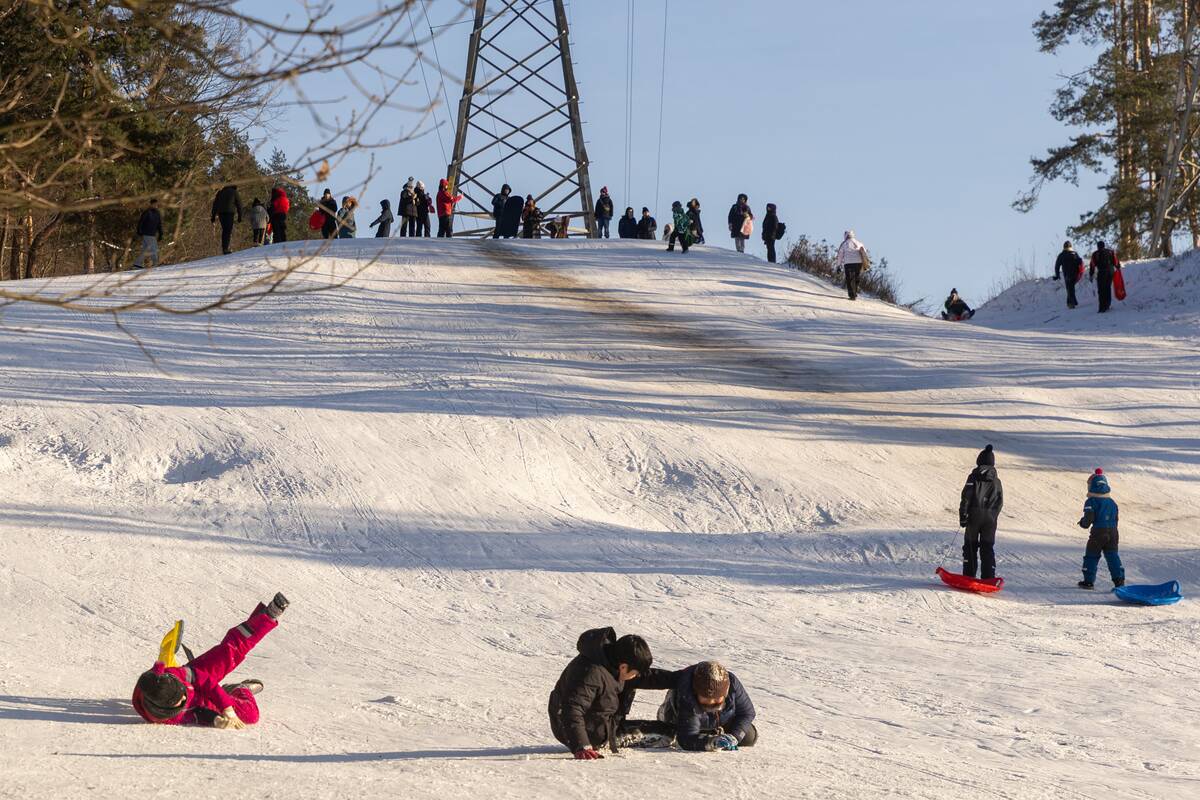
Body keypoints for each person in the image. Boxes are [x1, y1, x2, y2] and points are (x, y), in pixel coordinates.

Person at [133, 593, 288, 729]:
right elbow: (197, 713)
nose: (184, 696)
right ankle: (240, 689)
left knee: (228, 653)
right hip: (201, 700)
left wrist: (225, 706)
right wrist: (216, 720)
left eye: (181, 691)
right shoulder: (168, 718)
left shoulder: (171, 674)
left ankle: (267, 616)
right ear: (166, 711)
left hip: (198, 678)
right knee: (249, 715)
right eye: (180, 700)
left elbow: (203, 679)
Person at [547, 627, 654, 759]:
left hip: (597, 724)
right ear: (624, 666)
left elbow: (648, 676)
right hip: (581, 732)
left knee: (665, 729)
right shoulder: (591, 674)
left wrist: (678, 678)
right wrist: (582, 745)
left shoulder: (610, 660)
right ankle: (601, 737)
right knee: (664, 734)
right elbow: (571, 708)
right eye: (635, 673)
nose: (635, 676)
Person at [624, 661, 757, 751]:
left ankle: (712, 732)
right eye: (706, 699)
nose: (711, 704)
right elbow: (686, 738)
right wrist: (710, 743)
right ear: (696, 691)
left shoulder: (732, 683)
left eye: (717, 700)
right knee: (671, 737)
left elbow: (747, 712)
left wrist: (735, 736)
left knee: (749, 736)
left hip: (718, 721)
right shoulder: (687, 695)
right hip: (678, 719)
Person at [958, 444, 1003, 580]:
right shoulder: (997, 481)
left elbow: (966, 497)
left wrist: (963, 516)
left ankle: (969, 575)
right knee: (987, 547)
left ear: (979, 461)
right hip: (990, 519)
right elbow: (999, 501)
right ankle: (988, 577)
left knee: (970, 546)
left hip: (974, 517)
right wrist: (993, 516)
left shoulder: (974, 477)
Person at [1078, 469, 1125, 590]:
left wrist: (1083, 523)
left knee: (1091, 555)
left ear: (1091, 486)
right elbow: (1116, 518)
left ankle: (1088, 581)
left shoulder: (1091, 501)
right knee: (1112, 555)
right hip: (1113, 532)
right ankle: (1119, 581)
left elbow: (1088, 519)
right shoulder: (1112, 502)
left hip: (1098, 532)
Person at [1088, 240, 1121, 313]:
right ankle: (1107, 305)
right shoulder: (1110, 252)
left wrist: (1091, 274)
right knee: (1107, 288)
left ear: (1097, 246)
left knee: (1101, 290)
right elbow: (1115, 261)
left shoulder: (1095, 254)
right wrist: (1118, 267)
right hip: (1110, 272)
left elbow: (1092, 265)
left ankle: (1102, 307)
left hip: (1102, 272)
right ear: (1104, 246)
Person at [211, 184, 243, 255]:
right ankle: (225, 248)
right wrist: (240, 216)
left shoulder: (220, 192)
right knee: (227, 230)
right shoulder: (234, 192)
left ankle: (225, 248)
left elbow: (215, 204)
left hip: (221, 214)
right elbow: (239, 204)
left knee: (225, 230)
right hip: (229, 213)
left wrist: (213, 216)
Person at [835, 229, 867, 300]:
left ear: (845, 236)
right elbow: (864, 253)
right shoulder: (859, 243)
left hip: (848, 263)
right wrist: (865, 264)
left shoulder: (844, 244)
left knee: (849, 278)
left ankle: (852, 294)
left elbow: (840, 255)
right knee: (856, 277)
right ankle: (855, 293)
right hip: (858, 263)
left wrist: (838, 266)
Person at [132, 199, 164, 269]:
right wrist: (139, 230)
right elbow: (141, 222)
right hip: (147, 233)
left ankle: (137, 263)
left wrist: (161, 233)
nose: (156, 205)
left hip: (152, 234)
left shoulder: (157, 213)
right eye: (154, 204)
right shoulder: (147, 212)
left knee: (146, 250)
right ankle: (156, 263)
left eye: (157, 204)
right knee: (154, 249)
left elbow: (159, 224)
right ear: (151, 204)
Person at [1053, 240, 1083, 309]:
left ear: (1064, 247)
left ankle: (1071, 303)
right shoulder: (1075, 253)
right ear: (1070, 246)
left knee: (1069, 288)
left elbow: (1057, 266)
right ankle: (1073, 302)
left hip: (1067, 274)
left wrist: (1057, 275)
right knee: (1071, 288)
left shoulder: (1061, 255)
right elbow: (1080, 262)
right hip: (1075, 274)